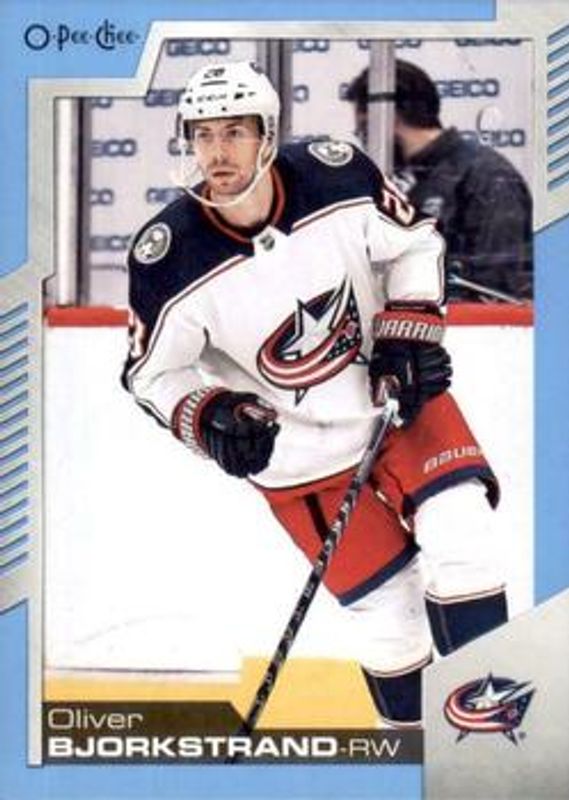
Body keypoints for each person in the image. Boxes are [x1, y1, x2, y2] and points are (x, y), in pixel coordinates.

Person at [122, 61, 508, 729]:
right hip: (301, 463)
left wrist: (409, 328)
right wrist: (209, 415)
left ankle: (495, 733)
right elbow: (151, 375)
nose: (216, 152)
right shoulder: (168, 256)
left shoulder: (338, 177)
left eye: (234, 132)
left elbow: (415, 245)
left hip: (394, 402)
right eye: (203, 134)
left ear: (268, 134)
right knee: (387, 615)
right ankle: (410, 753)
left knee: (462, 533)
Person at [346, 60, 533, 301]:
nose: (366, 142)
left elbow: (498, 288)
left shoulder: (485, 176)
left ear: (387, 118)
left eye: (363, 130)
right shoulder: (400, 182)